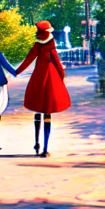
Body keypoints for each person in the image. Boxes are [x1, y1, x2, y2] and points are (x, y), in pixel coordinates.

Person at [16, 20, 71, 157]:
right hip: (50, 81)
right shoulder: (50, 46)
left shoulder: (37, 46)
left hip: (38, 79)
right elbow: (57, 62)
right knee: (47, 112)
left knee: (37, 110)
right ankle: (45, 148)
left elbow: (27, 60)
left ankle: (36, 143)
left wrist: (17, 71)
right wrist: (62, 75)